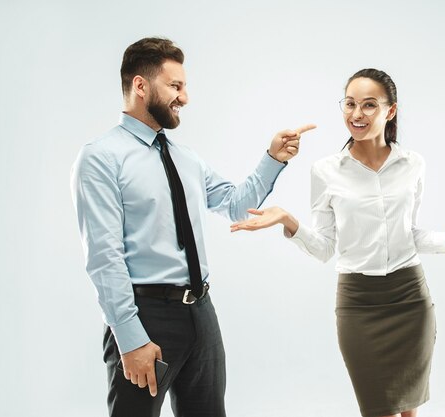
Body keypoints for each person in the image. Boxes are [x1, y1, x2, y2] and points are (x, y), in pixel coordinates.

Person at [70, 37, 315, 417]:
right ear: (140, 85)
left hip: (202, 313)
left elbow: (235, 205)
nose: (185, 98)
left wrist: (272, 158)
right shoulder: (101, 158)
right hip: (145, 316)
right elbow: (104, 258)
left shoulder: (186, 159)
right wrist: (130, 337)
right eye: (175, 86)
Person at [230, 68, 445, 417]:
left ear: (391, 111)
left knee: (410, 411)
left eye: (369, 105)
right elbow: (325, 247)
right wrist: (288, 220)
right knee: (378, 409)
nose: (357, 114)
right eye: (350, 104)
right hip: (358, 303)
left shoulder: (413, 164)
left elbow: (408, 234)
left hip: (410, 298)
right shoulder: (326, 171)